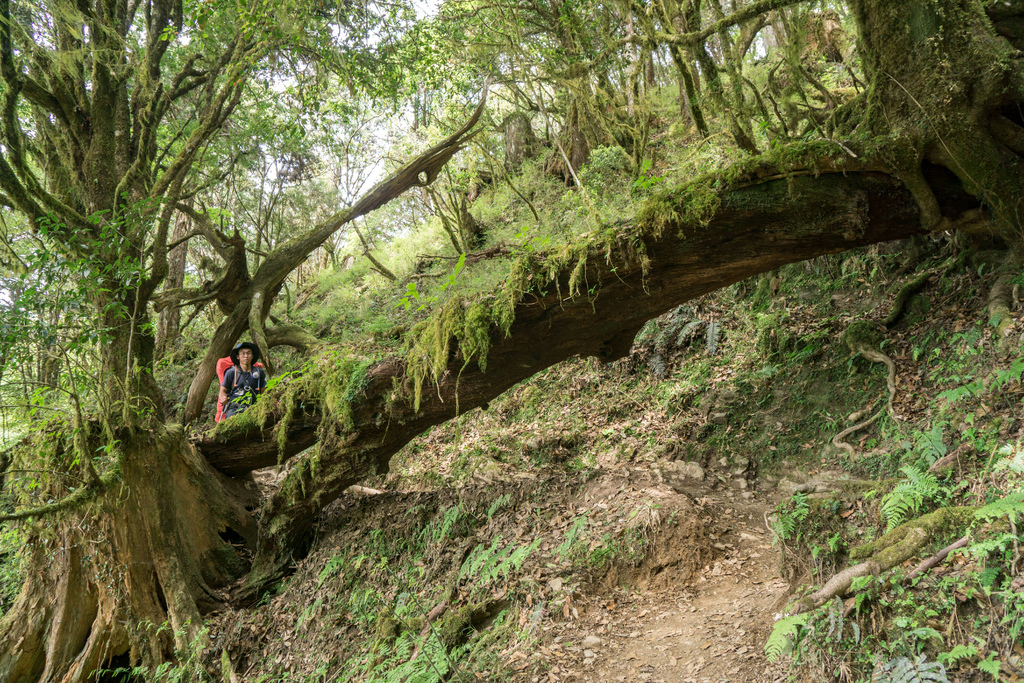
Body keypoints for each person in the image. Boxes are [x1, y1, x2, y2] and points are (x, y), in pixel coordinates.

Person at [218, 342, 267, 420]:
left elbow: (263, 392)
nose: (246, 356)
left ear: (252, 356)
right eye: (242, 353)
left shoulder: (259, 372)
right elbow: (223, 391)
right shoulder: (231, 372)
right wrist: (223, 398)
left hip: (253, 408)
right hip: (234, 408)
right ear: (238, 356)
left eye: (248, 353)